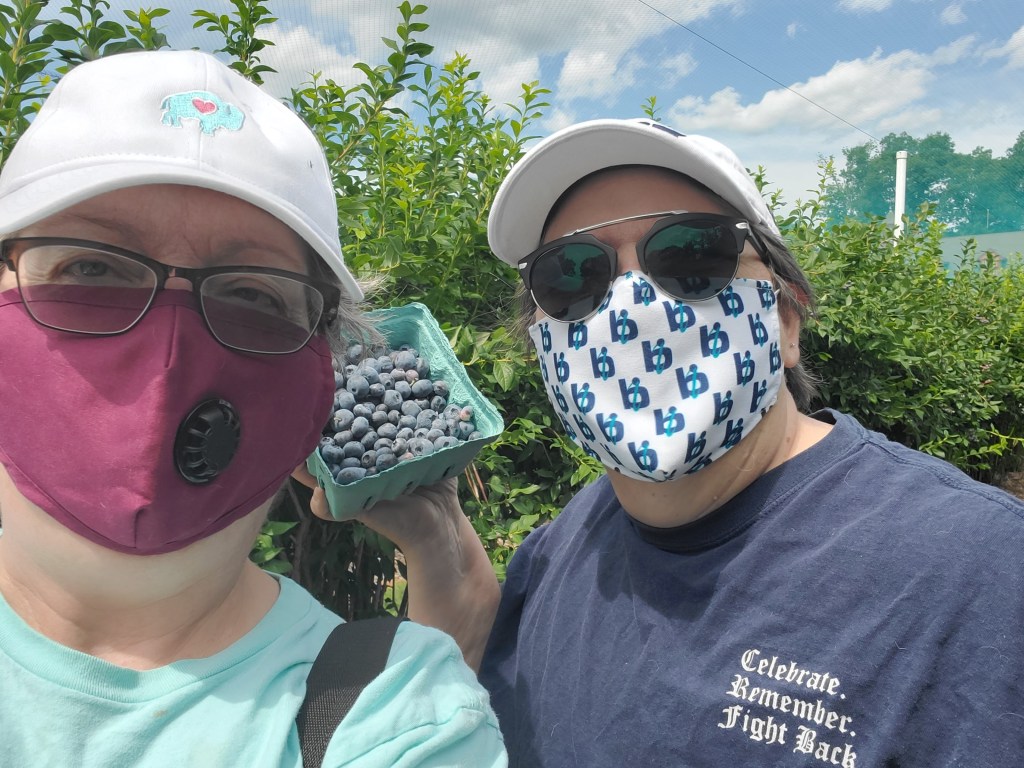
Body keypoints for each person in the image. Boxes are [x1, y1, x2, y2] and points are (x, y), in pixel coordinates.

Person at [322, 117, 1024, 767]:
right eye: (571, 275)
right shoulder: (560, 548)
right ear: (542, 341)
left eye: (693, 255)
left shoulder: (981, 574)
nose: (632, 306)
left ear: (784, 321)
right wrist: (443, 557)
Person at [0, 49, 506, 767]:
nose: (167, 362)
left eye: (251, 293)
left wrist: (446, 564)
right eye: (91, 266)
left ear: (320, 376)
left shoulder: (399, 717)